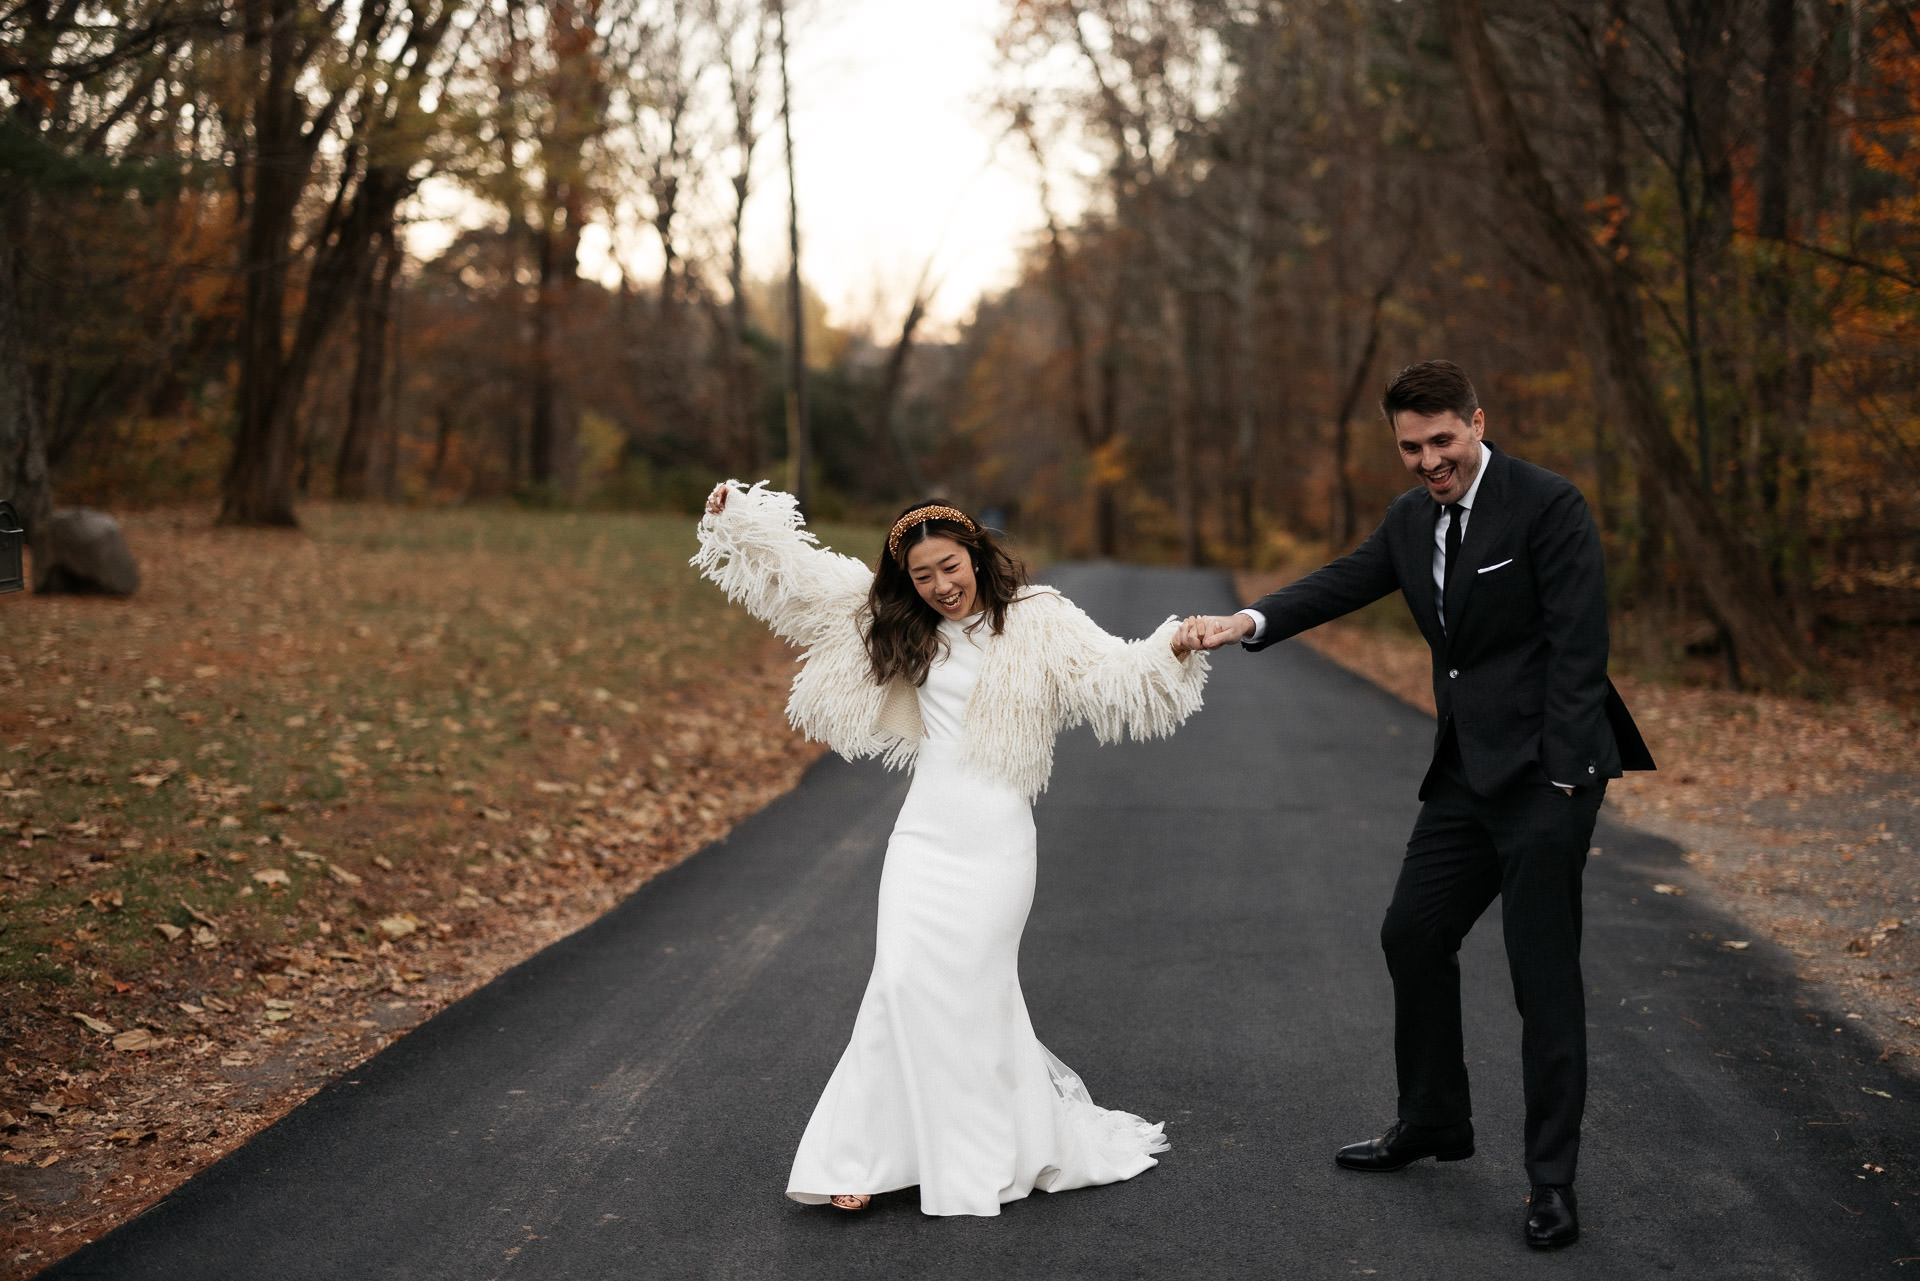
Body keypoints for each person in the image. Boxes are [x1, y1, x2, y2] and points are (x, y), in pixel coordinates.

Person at [1179, 360, 1654, 1250]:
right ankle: (1435, 1119)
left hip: (1549, 776)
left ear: (1477, 420)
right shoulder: (1410, 519)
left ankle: (1552, 1181)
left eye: (1443, 439)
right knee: (1412, 930)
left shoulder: (1548, 505)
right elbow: (1340, 581)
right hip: (1467, 774)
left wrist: (1559, 783)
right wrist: (1244, 623)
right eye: (1412, 446)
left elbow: (1579, 648)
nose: (1430, 459)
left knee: (1539, 975)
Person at [692, 480, 1209, 1217]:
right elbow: (801, 580)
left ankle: (981, 1150)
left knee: (974, 995)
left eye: (950, 566)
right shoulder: (892, 616)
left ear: (977, 553)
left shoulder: (1040, 618)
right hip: (925, 836)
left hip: (998, 844)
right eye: (923, 575)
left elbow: (1117, 672)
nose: (940, 585)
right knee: (899, 981)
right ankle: (858, 1155)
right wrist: (739, 517)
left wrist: (1173, 646)